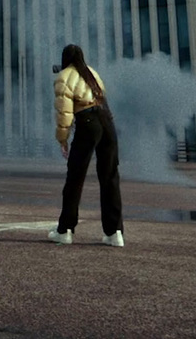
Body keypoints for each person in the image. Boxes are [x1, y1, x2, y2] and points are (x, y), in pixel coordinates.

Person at [49, 43, 124, 247]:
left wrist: (63, 139)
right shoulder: (92, 72)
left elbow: (64, 113)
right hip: (106, 122)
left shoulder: (64, 76)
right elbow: (103, 99)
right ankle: (114, 232)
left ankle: (65, 230)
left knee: (75, 177)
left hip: (87, 122)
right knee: (110, 177)